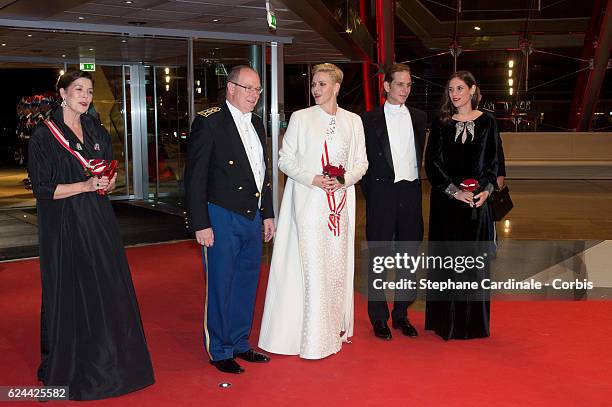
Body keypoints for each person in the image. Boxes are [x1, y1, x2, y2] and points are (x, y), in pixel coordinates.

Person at [28, 70, 154, 400]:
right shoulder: (44, 135)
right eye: (78, 90)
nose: (85, 96)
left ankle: (111, 359)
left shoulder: (96, 128)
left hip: (98, 221)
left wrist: (108, 182)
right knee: (73, 290)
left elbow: (108, 171)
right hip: (64, 225)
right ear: (63, 92)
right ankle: (72, 364)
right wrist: (84, 185)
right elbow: (42, 190)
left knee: (107, 288)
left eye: (88, 90)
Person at [258, 63, 368, 359]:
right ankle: (307, 335)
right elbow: (284, 160)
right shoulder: (300, 118)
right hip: (307, 202)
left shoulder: (353, 121)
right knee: (311, 263)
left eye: (322, 84)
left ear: (336, 87)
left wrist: (343, 180)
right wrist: (314, 179)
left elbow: (361, 163)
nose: (316, 89)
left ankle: (332, 329)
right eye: (314, 84)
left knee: (336, 264)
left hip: (340, 206)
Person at [184, 65, 275, 374]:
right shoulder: (209, 123)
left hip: (251, 214)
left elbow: (263, 174)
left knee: (247, 282)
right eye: (249, 88)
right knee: (221, 284)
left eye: (258, 90)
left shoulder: (258, 124)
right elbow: (195, 178)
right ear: (231, 88)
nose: (254, 95)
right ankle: (220, 349)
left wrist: (268, 213)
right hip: (220, 214)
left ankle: (239, 343)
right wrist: (200, 223)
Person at [424, 70, 499, 340]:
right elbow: (431, 162)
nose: (454, 94)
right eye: (451, 89)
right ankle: (445, 323)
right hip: (446, 203)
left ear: (472, 89)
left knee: (473, 264)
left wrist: (487, 191)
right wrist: (453, 191)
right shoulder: (442, 122)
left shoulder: (489, 122)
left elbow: (495, 163)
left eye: (459, 88)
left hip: (477, 205)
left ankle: (472, 324)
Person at [361, 63, 427, 340]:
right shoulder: (367, 120)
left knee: (408, 258)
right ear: (386, 86)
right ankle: (378, 317)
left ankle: (401, 313)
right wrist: (374, 193)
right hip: (381, 195)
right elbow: (361, 162)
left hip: (411, 193)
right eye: (400, 84)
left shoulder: (420, 117)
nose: (405, 90)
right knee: (378, 257)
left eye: (409, 85)